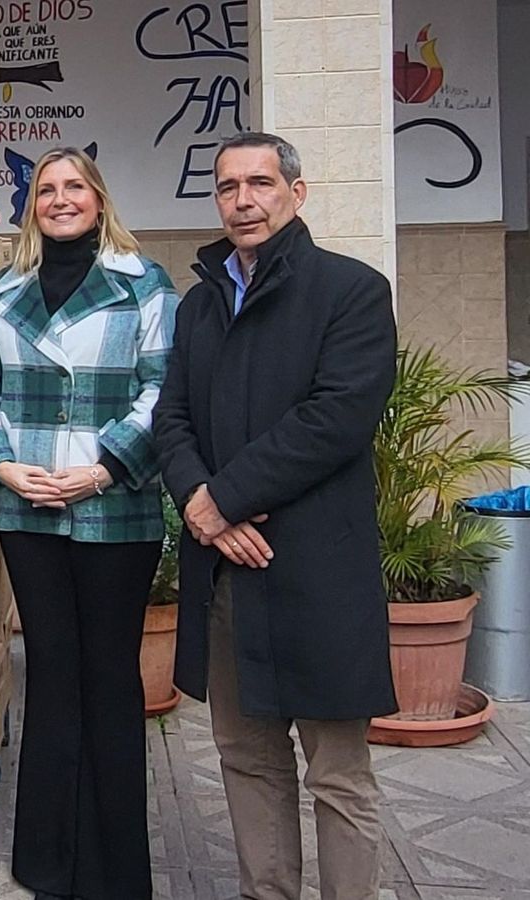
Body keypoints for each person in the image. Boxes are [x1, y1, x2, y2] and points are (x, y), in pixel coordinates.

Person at [154, 132, 397, 900]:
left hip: (319, 571)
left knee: (338, 775)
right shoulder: (199, 305)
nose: (243, 200)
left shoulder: (351, 291)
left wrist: (220, 498)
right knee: (246, 758)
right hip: (227, 572)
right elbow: (172, 419)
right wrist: (202, 507)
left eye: (260, 182)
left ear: (298, 192)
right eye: (228, 187)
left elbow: (336, 418)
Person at [0, 147, 179, 900]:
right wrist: (4, 464)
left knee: (109, 675)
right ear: (33, 206)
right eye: (47, 189)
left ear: (99, 196)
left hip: (116, 506)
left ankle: (115, 867)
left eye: (74, 185)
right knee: (49, 669)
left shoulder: (145, 284)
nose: (60, 199)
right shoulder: (3, 290)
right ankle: (46, 859)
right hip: (29, 505)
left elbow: (164, 388)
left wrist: (107, 465)